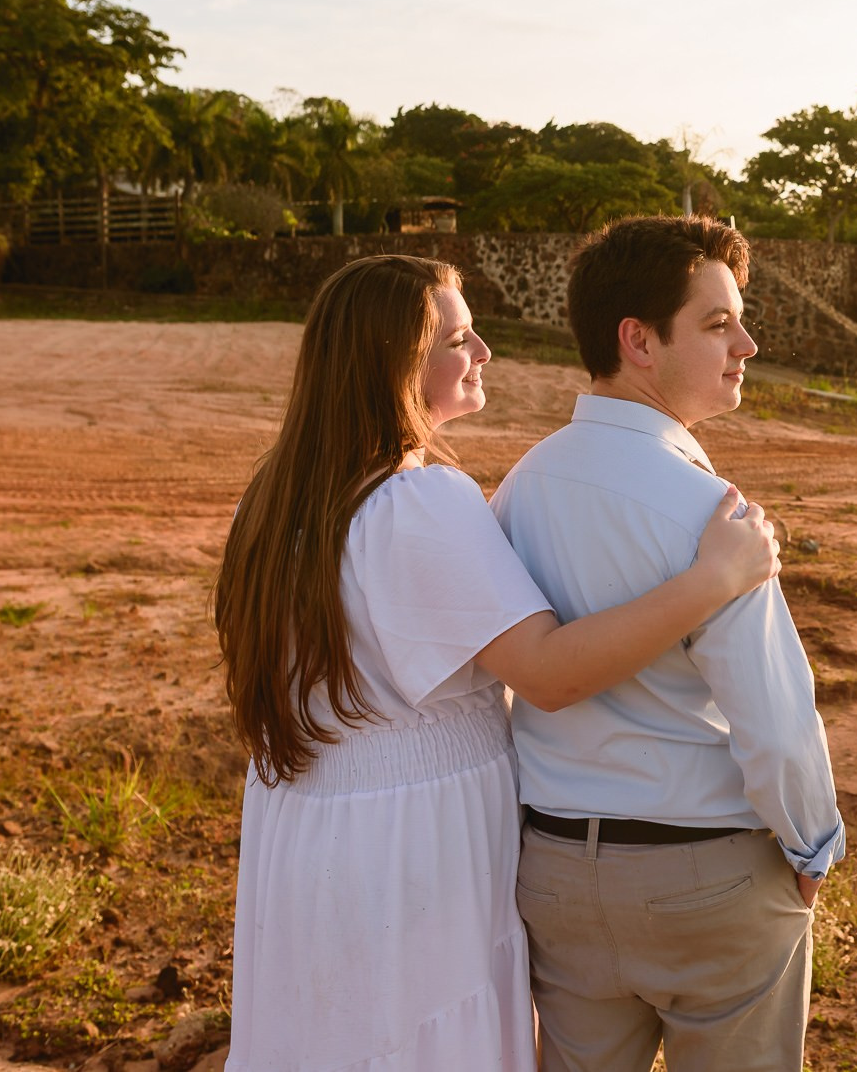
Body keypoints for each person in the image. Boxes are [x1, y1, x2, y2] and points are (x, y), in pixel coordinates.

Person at [213, 253, 781, 1072]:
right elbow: (548, 671)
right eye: (458, 337)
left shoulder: (273, 498)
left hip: (309, 832)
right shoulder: (418, 499)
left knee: (327, 1035)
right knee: (419, 1038)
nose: (483, 353)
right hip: (411, 852)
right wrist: (712, 579)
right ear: (395, 364)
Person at [490, 216, 844, 1072]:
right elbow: (775, 715)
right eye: (718, 323)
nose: (748, 344)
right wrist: (811, 847)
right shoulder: (709, 511)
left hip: (558, 874)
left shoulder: (517, 490)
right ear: (638, 340)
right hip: (708, 879)